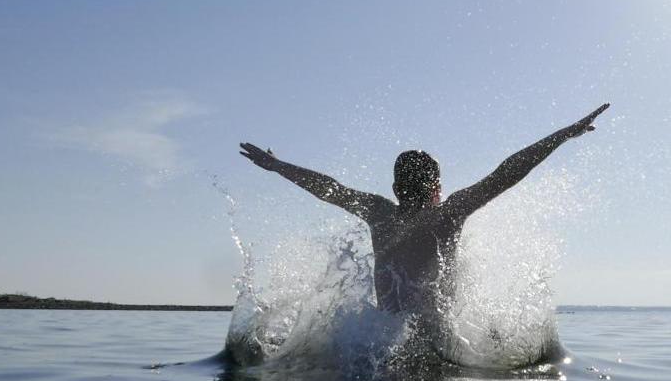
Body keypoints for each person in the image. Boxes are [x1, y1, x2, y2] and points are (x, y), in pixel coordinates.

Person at [240, 103, 609, 317]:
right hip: (439, 341)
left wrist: (279, 166)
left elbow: (327, 188)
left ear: (396, 189)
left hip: (382, 339)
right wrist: (563, 135)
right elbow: (509, 171)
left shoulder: (379, 212)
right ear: (437, 189)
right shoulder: (450, 212)